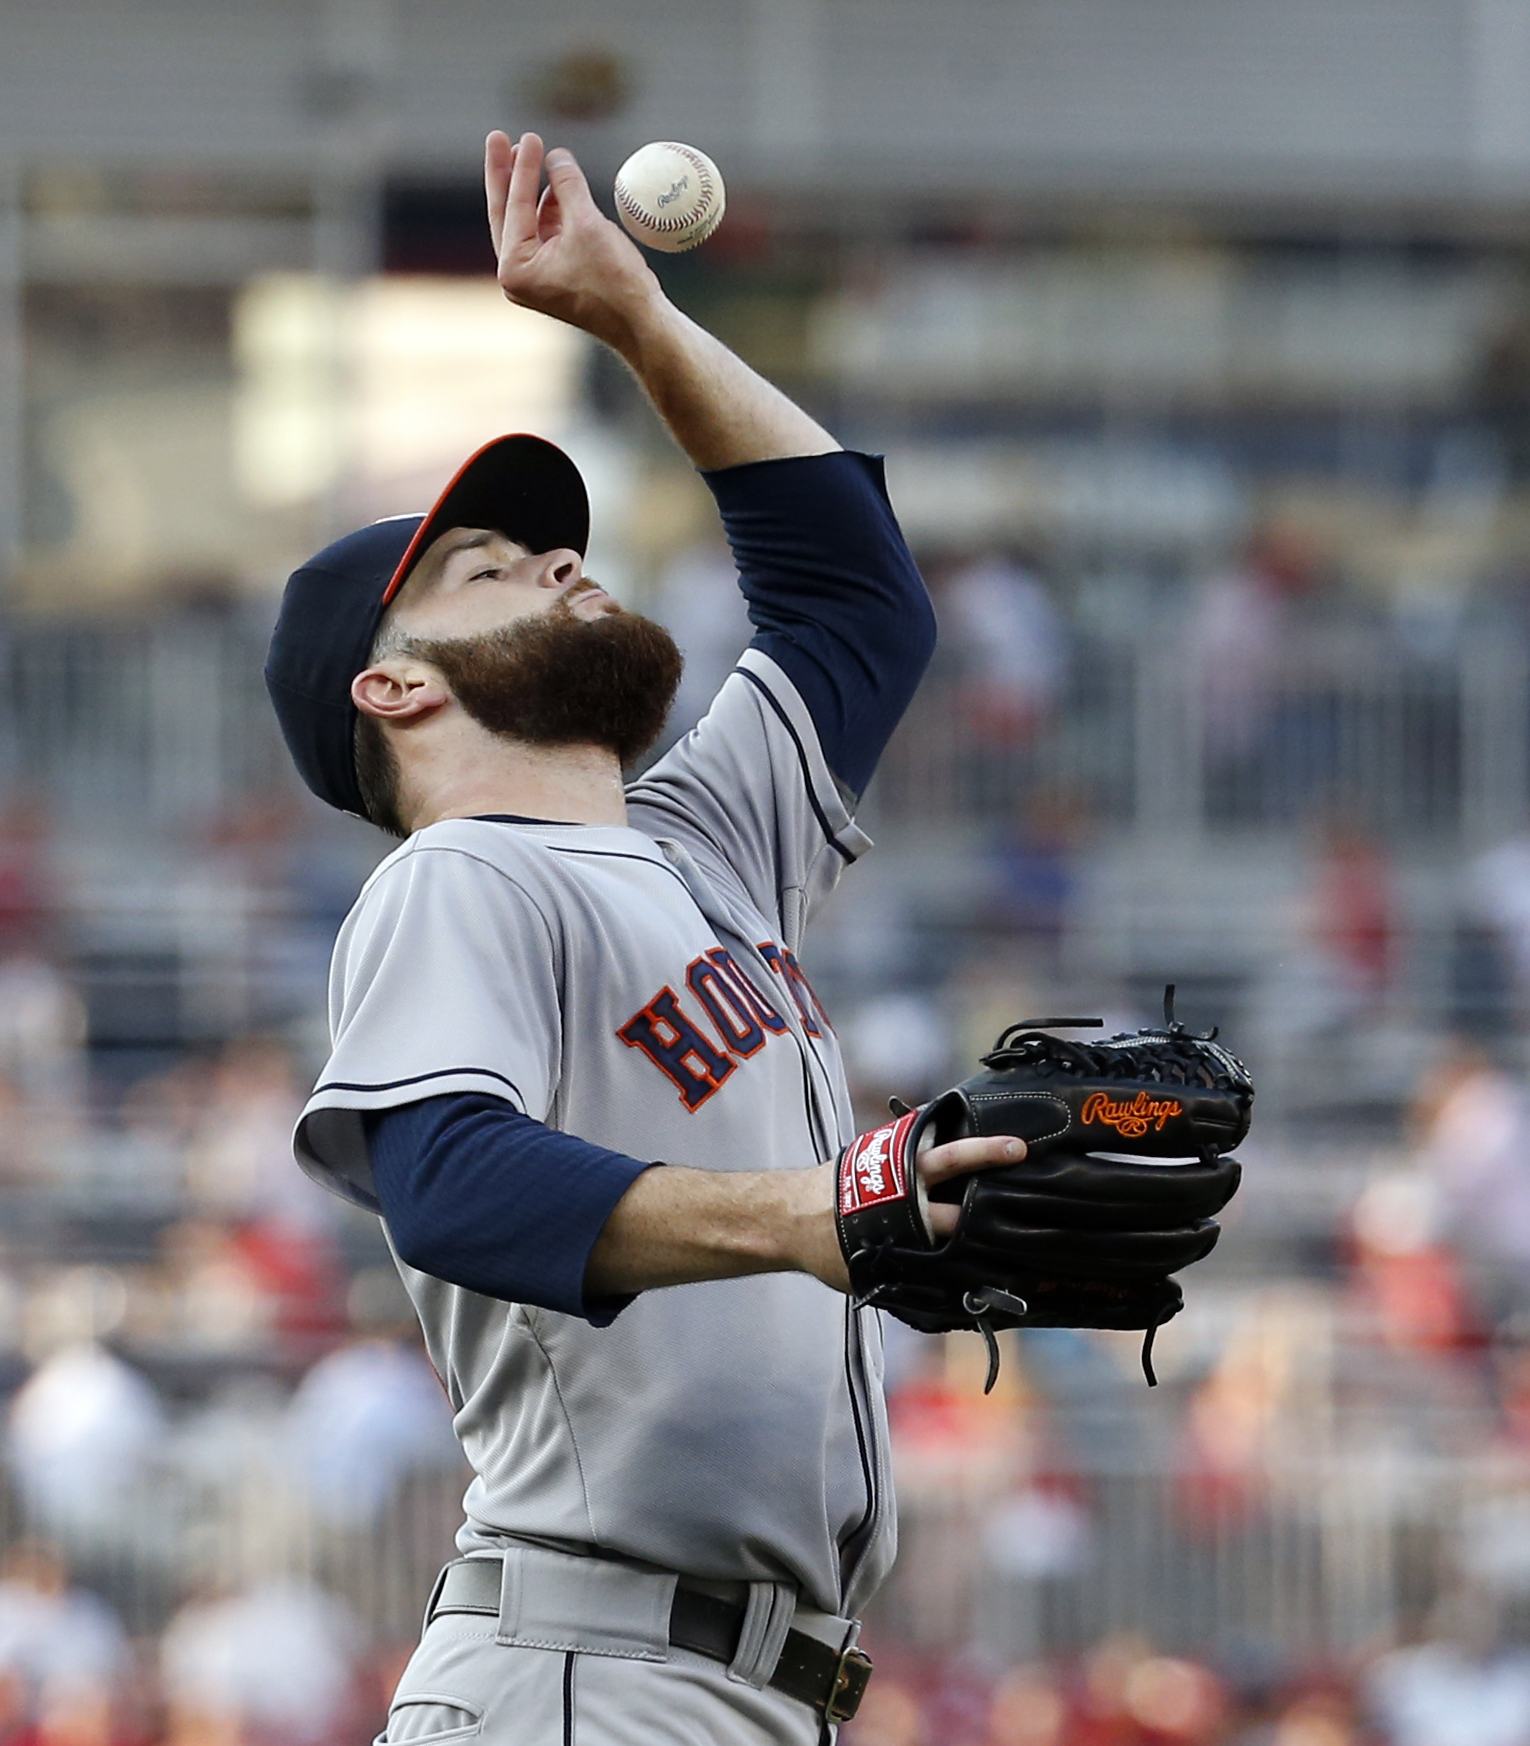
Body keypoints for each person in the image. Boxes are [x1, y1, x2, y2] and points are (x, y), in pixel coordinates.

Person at [264, 130, 1021, 1745]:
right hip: (581, 1669)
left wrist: (635, 320)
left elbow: (856, 602)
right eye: (481, 569)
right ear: (391, 685)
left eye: (549, 542)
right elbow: (446, 1177)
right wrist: (815, 1208)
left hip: (742, 1686)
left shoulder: (696, 846)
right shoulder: (458, 879)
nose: (558, 557)